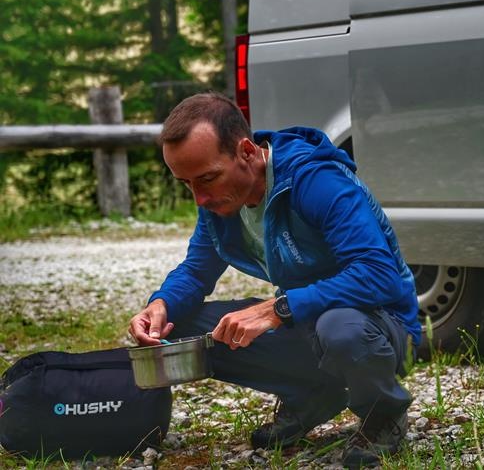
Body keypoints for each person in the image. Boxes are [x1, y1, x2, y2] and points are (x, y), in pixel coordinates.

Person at [128, 92, 420, 468]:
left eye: (207, 179)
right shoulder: (220, 200)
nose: (199, 198)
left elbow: (379, 274)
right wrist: (160, 304)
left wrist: (278, 309)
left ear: (247, 152)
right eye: (187, 184)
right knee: (177, 325)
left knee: (339, 328)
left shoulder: (315, 180)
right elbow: (196, 271)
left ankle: (383, 414)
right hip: (309, 322)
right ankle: (314, 394)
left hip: (382, 327)